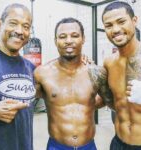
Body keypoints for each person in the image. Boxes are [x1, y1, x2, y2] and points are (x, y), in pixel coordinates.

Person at [34, 17, 113, 150]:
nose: (68, 41)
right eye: (62, 36)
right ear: (55, 41)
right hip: (56, 146)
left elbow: (107, 100)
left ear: (83, 39)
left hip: (88, 145)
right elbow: (27, 102)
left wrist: (86, 103)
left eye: (74, 36)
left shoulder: (96, 72)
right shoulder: (42, 73)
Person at [0, 3, 36, 150]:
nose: (19, 31)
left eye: (26, 26)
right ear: (0, 24)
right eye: (13, 23)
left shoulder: (30, 68)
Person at [102, 1, 141, 149]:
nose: (115, 29)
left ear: (134, 21)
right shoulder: (109, 63)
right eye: (109, 25)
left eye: (121, 22)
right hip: (118, 143)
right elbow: (112, 101)